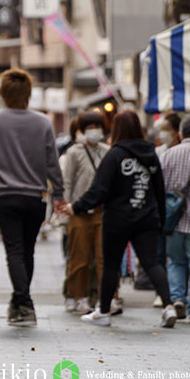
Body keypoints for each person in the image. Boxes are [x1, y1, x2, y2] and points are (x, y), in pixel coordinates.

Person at [0, 68, 65, 327]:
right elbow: (52, 163)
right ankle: (19, 301)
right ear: (29, 93)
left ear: (3, 93)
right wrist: (59, 194)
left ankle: (24, 304)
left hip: (6, 196)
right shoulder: (43, 122)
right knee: (27, 251)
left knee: (14, 250)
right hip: (36, 198)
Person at [68, 109, 177, 328]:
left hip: (117, 220)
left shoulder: (114, 155)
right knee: (152, 263)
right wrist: (161, 222)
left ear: (116, 130)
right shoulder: (151, 154)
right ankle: (168, 306)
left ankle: (104, 312)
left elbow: (99, 191)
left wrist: (76, 207)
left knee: (110, 265)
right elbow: (159, 191)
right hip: (146, 219)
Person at [61, 110, 109, 315]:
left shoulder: (107, 151)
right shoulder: (74, 152)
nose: (93, 132)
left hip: (102, 212)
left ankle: (102, 298)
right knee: (79, 258)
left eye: (96, 127)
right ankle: (77, 296)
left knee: (102, 258)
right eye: (88, 128)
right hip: (78, 211)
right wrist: (65, 209)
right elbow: (68, 182)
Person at [160, 113, 190, 323]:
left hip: (172, 218)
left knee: (175, 261)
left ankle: (177, 299)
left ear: (180, 133)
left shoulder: (168, 155)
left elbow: (158, 187)